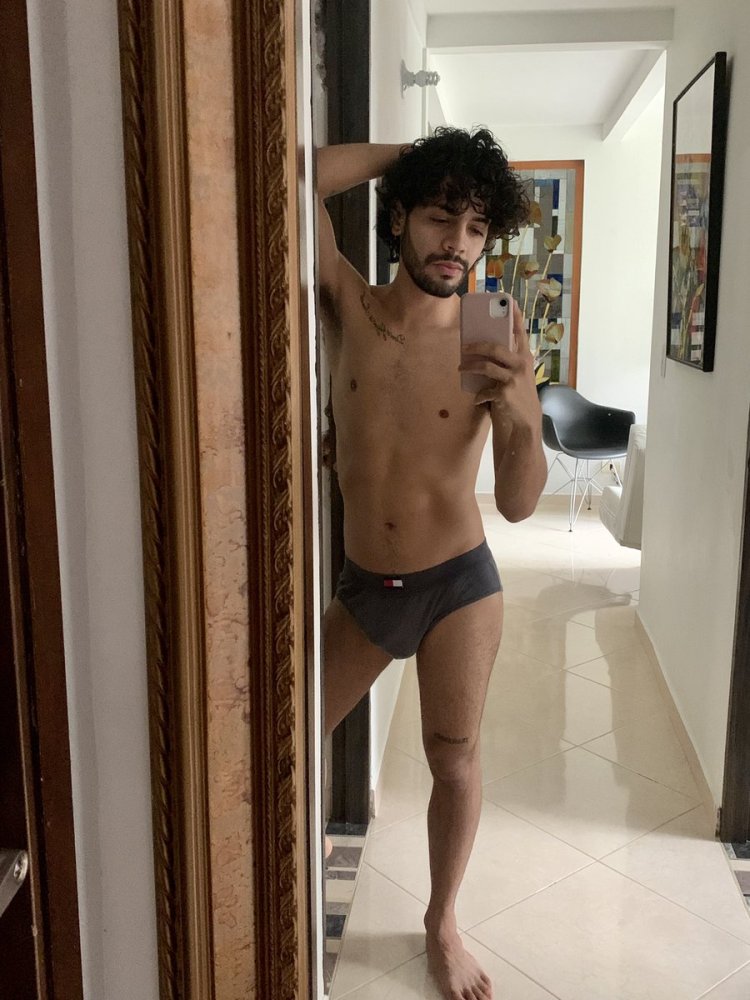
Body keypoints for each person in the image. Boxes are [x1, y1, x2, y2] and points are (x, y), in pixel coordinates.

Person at [317, 127, 547, 1000]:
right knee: (288, 734)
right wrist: (413, 153)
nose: (458, 242)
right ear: (401, 219)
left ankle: (442, 921)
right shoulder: (351, 302)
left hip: (457, 582)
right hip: (365, 588)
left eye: (477, 226)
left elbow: (520, 503)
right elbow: (296, 180)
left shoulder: (491, 329)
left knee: (454, 756)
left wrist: (521, 411)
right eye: (441, 216)